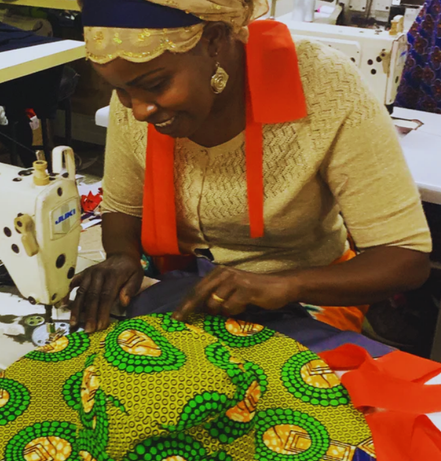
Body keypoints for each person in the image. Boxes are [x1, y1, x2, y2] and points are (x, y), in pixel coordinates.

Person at [68, 0, 432, 350]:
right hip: (179, 286)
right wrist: (122, 256)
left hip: (305, 294)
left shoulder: (324, 87)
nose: (139, 111)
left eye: (156, 84)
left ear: (213, 40)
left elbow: (404, 257)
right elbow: (123, 207)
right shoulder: (137, 94)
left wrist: (286, 285)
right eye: (120, 90)